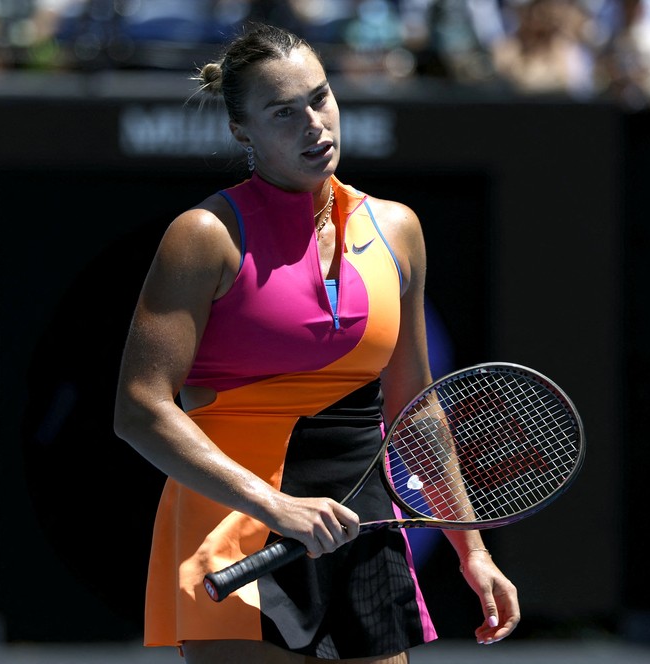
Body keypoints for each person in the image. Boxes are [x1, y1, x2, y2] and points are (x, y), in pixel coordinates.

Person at [112, 22, 520, 664]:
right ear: (240, 129)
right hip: (236, 531)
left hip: (361, 528)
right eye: (283, 112)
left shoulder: (397, 229)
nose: (314, 124)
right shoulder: (203, 236)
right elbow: (139, 409)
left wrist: (472, 550)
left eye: (320, 98)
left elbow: (415, 403)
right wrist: (274, 506)